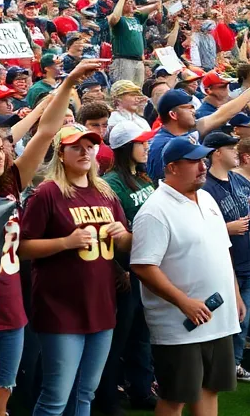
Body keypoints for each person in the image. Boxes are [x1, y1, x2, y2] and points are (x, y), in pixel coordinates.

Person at [0, 61, 93, 416]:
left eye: (4, 149)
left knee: (1, 402)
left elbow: (46, 133)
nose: (3, 155)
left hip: (13, 310)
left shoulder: (8, 186)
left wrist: (68, 82)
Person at [19, 122, 131, 416]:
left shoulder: (105, 191)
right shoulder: (48, 193)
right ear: (61, 152)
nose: (84, 152)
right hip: (61, 307)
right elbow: (23, 247)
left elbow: (128, 245)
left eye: (89, 147)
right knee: (56, 396)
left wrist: (124, 235)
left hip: (102, 305)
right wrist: (65, 242)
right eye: (76, 148)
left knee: (86, 393)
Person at [131, 132, 242, 416]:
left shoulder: (206, 198)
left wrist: (236, 294)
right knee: (176, 396)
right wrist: (184, 302)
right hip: (180, 326)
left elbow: (222, 250)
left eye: (203, 159)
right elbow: (143, 266)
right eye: (194, 161)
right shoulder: (154, 211)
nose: (203, 166)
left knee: (210, 388)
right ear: (172, 168)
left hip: (219, 317)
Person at [98, 120, 158, 413]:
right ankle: (107, 396)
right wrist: (115, 269)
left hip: (146, 268)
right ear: (125, 148)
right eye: (141, 143)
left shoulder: (145, 178)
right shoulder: (110, 184)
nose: (147, 147)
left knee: (142, 335)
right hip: (124, 271)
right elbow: (105, 233)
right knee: (117, 338)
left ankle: (141, 390)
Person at [200, 130, 250, 383]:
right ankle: (210, 367)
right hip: (220, 265)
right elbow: (196, 227)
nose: (236, 152)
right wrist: (226, 228)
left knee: (242, 318)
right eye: (230, 148)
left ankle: (234, 363)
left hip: (247, 259)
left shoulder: (242, 182)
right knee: (216, 320)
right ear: (217, 153)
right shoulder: (204, 187)